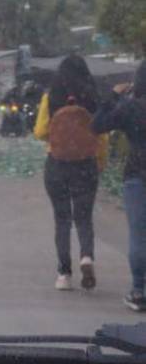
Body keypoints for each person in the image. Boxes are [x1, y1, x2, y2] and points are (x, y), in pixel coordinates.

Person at [33, 54, 108, 292]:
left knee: (62, 219)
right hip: (86, 165)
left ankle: (64, 273)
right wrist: (99, 163)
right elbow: (101, 135)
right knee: (84, 218)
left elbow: (40, 132)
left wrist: (61, 133)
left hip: (57, 164)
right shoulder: (93, 99)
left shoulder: (51, 97)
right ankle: (87, 256)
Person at [92, 64, 146, 311]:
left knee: (139, 235)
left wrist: (114, 96)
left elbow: (98, 125)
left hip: (138, 175)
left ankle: (139, 291)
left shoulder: (131, 108)